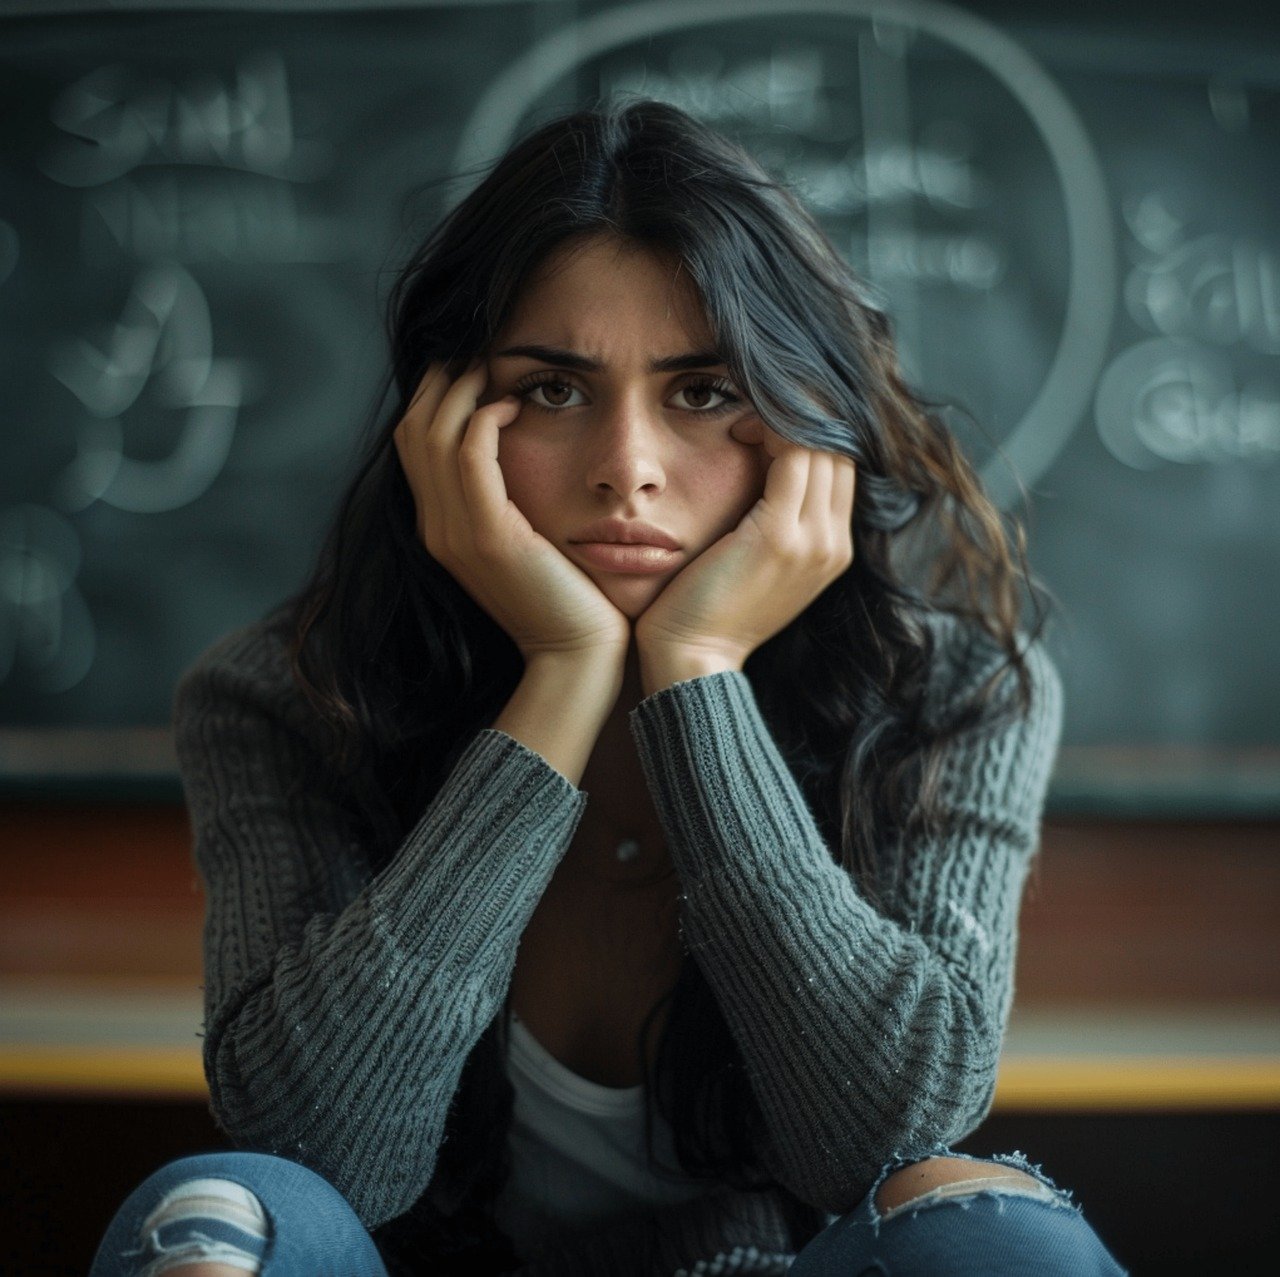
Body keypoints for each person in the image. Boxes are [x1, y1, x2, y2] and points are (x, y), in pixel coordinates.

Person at [89, 96, 1128, 1276]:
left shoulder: (953, 693)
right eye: (550, 389)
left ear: (808, 431)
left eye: (700, 392)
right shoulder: (278, 696)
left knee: (988, 1224)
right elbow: (320, 1145)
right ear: (441, 428)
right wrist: (564, 674)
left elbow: (881, 1138)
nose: (625, 468)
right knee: (220, 1210)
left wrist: (694, 674)